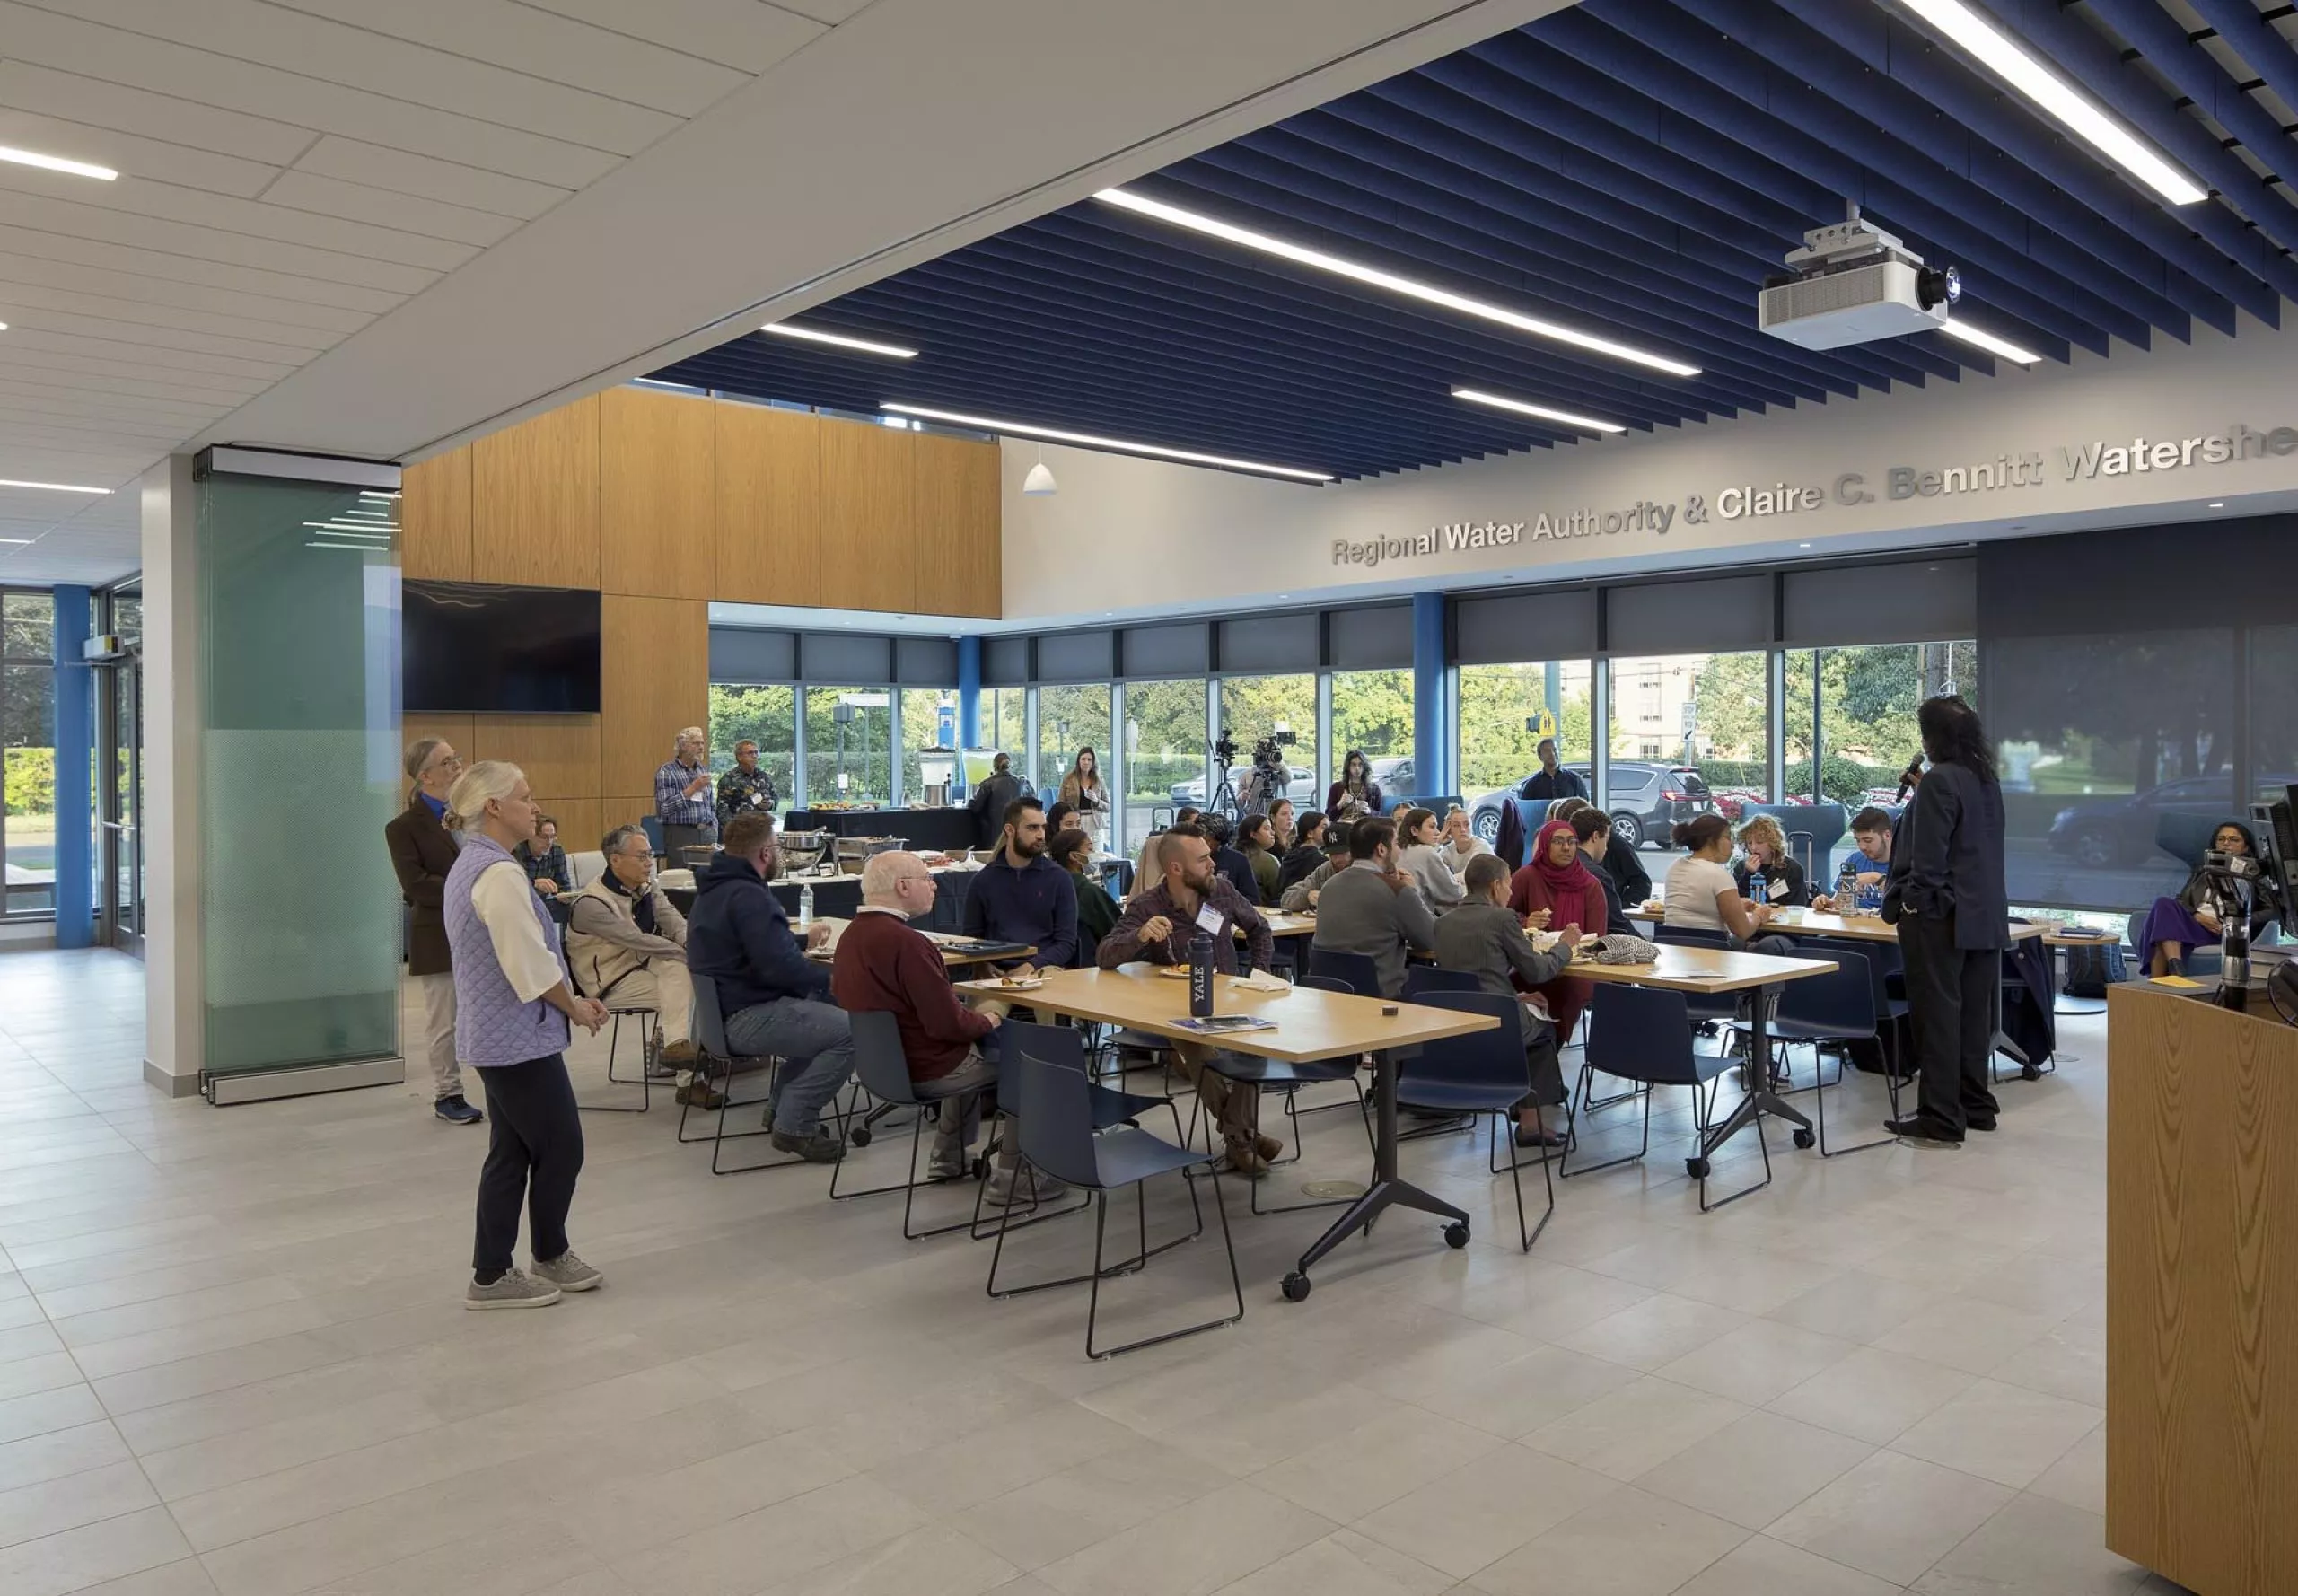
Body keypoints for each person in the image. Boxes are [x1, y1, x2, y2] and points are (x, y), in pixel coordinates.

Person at [440, 760, 608, 1309]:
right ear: (493, 807)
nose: (534, 808)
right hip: (513, 1039)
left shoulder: (474, 864)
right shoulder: (499, 874)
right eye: (525, 798)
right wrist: (577, 1007)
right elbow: (528, 966)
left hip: (501, 1036)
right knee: (562, 1146)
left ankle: (494, 1271)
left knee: (511, 1152)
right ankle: (543, 1256)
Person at [831, 853, 1054, 1203]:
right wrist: (989, 1019)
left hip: (883, 1068)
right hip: (929, 1067)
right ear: (902, 887)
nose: (934, 885)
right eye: (927, 878)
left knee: (969, 1047)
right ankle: (1016, 1180)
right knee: (1031, 1070)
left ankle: (947, 1158)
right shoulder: (908, 943)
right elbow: (948, 1025)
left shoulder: (849, 938)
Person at [1098, 822, 1281, 1173]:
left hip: (1231, 1003)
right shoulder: (1148, 905)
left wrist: (1259, 976)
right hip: (1175, 1011)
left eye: (1210, 856)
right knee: (1194, 1046)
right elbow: (1105, 955)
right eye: (1202, 859)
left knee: (1258, 1044)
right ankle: (1243, 1139)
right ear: (1176, 869)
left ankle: (1237, 1136)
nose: (1212, 864)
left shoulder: (1222, 891)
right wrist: (1139, 935)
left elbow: (1260, 929)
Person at [685, 812, 855, 1162]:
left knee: (823, 1006)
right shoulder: (750, 897)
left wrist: (800, 940)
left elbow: (750, 947)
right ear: (765, 853)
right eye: (777, 848)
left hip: (722, 1015)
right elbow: (781, 968)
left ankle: (779, 1111)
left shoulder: (715, 891)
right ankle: (795, 1124)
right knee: (852, 1031)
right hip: (748, 1015)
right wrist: (837, 979)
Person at [1882, 695, 2010, 1144]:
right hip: (1984, 915)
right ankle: (1975, 1104)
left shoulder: (1940, 781)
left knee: (1937, 1016)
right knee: (1973, 1018)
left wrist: (1913, 904)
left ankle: (1939, 1115)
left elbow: (1931, 862)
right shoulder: (1984, 780)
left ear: (1932, 736)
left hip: (1941, 917)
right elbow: (1971, 843)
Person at [1434, 853, 1583, 1146]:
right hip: (1496, 1020)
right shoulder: (1502, 918)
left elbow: (1474, 975)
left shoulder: (1444, 921)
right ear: (1494, 886)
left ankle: (1523, 1107)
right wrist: (1565, 946)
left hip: (1458, 1017)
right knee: (1544, 1031)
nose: (1511, 892)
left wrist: (1515, 995)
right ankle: (1530, 1122)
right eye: (1508, 885)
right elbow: (1538, 971)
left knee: (1529, 1018)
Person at [384, 738, 485, 1126]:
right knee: (445, 1019)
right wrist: (472, 889)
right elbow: (416, 884)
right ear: (425, 776)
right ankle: (448, 1093)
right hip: (439, 932)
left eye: (456, 757)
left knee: (486, 1010)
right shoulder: (403, 828)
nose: (457, 765)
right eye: (447, 761)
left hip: (483, 929)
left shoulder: (473, 814)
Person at [566, 824, 700, 1091]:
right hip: (609, 981)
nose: (649, 862)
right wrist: (691, 953)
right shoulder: (591, 903)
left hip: (642, 964)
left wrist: (689, 943)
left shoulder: (648, 886)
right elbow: (636, 939)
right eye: (641, 856)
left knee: (684, 976)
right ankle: (689, 1080)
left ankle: (678, 1052)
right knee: (689, 993)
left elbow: (673, 920)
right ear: (615, 860)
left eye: (650, 854)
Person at [2137, 820, 2287, 976]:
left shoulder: (2254, 874)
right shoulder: (2203, 870)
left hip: (2225, 930)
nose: (2226, 843)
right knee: (2163, 904)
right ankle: (2175, 964)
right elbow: (2182, 900)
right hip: (2196, 925)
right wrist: (2197, 916)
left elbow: (2271, 911)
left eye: (2234, 840)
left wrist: (2234, 921)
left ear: (2246, 847)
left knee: (2159, 933)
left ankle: (2160, 983)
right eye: (2221, 839)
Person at [1311, 816, 1437, 998]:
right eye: (1396, 843)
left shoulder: (1329, 886)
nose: (1400, 850)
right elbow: (1430, 939)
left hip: (1329, 995)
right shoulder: (1396, 890)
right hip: (1380, 997)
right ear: (1381, 849)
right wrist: (1413, 891)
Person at [1506, 819, 1605, 1046]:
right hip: (1530, 964)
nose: (1567, 848)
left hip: (1574, 968)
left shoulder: (1590, 885)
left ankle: (1550, 1049)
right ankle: (1532, 1055)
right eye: (1558, 842)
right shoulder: (1527, 876)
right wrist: (1525, 921)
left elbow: (1597, 936)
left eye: (1571, 842)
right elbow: (1501, 917)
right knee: (1511, 984)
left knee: (1570, 990)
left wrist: (1572, 944)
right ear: (1545, 846)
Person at [963, 796, 1079, 975]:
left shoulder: (1059, 879)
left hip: (1043, 968)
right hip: (996, 973)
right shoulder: (983, 881)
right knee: (988, 1005)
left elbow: (1066, 942)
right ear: (1010, 830)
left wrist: (1031, 966)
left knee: (1047, 998)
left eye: (1043, 827)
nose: (1041, 835)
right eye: (1032, 828)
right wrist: (983, 966)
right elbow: (971, 939)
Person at [1812, 806, 1898, 911]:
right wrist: (1827, 903)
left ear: (1887, 835)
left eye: (1868, 840)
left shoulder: (1906, 863)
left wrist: (1877, 879)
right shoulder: (1855, 860)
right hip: (1855, 925)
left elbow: (1907, 902)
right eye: (1858, 840)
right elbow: (1839, 901)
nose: (1862, 847)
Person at [1054, 827, 1119, 960]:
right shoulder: (1088, 892)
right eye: (1089, 849)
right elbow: (1119, 932)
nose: (1094, 853)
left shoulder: (1048, 887)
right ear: (1074, 856)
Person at [654, 727, 716, 863]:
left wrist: (713, 828)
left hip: (706, 834)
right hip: (681, 834)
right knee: (683, 877)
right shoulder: (667, 772)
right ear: (682, 746)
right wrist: (693, 788)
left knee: (707, 878)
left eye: (702, 743)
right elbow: (664, 809)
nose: (701, 747)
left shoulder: (703, 770)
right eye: (696, 743)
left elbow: (711, 804)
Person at [1395, 805, 1468, 911]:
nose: (1438, 832)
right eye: (1432, 826)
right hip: (1420, 917)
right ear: (1414, 830)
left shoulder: (1397, 850)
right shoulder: (1427, 853)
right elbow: (1454, 893)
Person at [1569, 807, 1628, 928]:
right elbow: (1617, 923)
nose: (1606, 848)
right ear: (1595, 836)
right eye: (1606, 840)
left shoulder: (1560, 865)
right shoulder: (1597, 875)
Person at [1733, 815, 1810, 908]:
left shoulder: (1792, 869)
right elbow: (1737, 902)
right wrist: (1748, 874)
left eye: (1760, 842)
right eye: (1749, 843)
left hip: (1782, 920)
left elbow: (1798, 905)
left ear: (1773, 842)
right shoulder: (1741, 867)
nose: (1753, 848)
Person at [1279, 833, 1353, 912]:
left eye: (1342, 853)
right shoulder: (1326, 869)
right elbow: (1286, 899)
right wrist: (1307, 895)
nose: (1337, 859)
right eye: (1333, 854)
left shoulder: (1363, 870)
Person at [715, 739, 778, 829]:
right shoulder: (729, 779)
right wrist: (733, 829)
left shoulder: (764, 776)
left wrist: (770, 804)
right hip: (741, 831)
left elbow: (775, 798)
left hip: (763, 829)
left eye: (756, 752)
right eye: (750, 753)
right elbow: (722, 809)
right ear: (739, 757)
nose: (754, 756)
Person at [966, 753, 1023, 849]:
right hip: (1016, 836)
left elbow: (975, 807)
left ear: (994, 767)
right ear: (1010, 766)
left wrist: (970, 801)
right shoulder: (1020, 783)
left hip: (992, 838)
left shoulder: (987, 784)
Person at [1202, 812, 1261, 906]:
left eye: (1207, 840)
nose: (1203, 844)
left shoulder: (1238, 860)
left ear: (1220, 840)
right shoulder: (1189, 858)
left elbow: (1252, 899)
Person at [1057, 748, 1108, 842]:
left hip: (1095, 823)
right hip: (1075, 822)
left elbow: (1108, 807)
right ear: (1078, 761)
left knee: (1095, 853)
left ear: (1093, 762)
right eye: (1083, 759)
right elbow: (1060, 803)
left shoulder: (1099, 779)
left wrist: (1096, 800)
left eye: (1089, 760)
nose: (1086, 762)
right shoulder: (1068, 778)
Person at [514, 815, 570, 898]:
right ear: (531, 836)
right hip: (524, 901)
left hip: (548, 902)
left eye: (552, 837)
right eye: (544, 837)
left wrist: (565, 896)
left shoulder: (557, 851)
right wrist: (534, 883)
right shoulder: (517, 852)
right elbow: (513, 886)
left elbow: (564, 886)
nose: (549, 843)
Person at [1518, 739, 1588, 803]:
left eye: (1554, 750)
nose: (1552, 753)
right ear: (1540, 756)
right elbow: (1526, 809)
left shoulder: (1574, 778)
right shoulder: (1532, 783)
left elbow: (1585, 806)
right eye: (1547, 751)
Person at [1326, 750, 1382, 824]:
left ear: (1365, 767)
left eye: (1360, 765)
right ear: (1348, 767)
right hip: (1342, 827)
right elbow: (1328, 816)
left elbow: (1381, 815)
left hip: (1365, 828)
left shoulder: (1374, 789)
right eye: (1353, 764)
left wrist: (1369, 811)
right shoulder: (1336, 787)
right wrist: (1340, 804)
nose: (1357, 768)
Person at [1237, 813, 1283, 905]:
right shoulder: (1267, 861)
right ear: (1253, 834)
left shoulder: (1233, 855)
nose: (1273, 833)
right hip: (1259, 912)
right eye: (1267, 829)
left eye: (1271, 829)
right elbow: (1279, 893)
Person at [1278, 811, 1329, 890]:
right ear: (1310, 833)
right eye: (1324, 827)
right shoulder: (1319, 860)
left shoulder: (1290, 855)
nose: (1329, 832)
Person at [1438, 806, 1490, 874]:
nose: (1463, 829)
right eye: (1456, 825)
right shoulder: (1449, 850)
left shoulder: (1482, 846)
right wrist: (1438, 843)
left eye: (1467, 824)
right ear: (1448, 830)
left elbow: (1470, 875)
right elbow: (1430, 868)